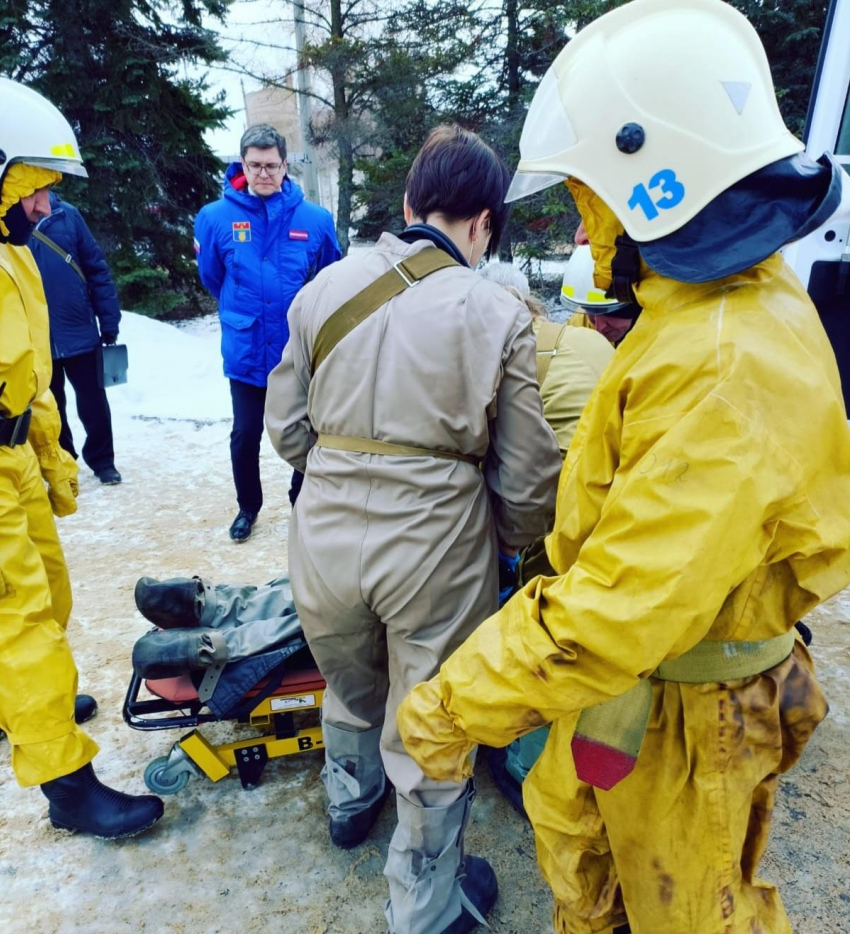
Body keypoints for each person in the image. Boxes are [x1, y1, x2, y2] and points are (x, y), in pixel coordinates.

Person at [396, 2, 850, 933]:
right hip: (638, 695)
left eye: (587, 191)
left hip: (689, 711)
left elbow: (620, 607)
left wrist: (455, 704)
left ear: (657, 173)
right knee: (575, 839)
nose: (581, 218)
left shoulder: (725, 359)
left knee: (694, 914)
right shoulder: (710, 308)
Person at [265, 124, 562, 934]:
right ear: (484, 225)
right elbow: (530, 476)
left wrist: (337, 470)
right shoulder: (496, 310)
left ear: (407, 203)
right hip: (435, 544)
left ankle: (349, 805)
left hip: (322, 535)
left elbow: (286, 429)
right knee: (430, 720)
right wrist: (503, 538)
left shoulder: (323, 288)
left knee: (349, 683)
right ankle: (426, 910)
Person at [0, 77, 163, 837]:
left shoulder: (16, 254)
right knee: (21, 621)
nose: (44, 206)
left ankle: (27, 707)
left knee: (51, 593)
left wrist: (51, 459)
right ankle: (68, 787)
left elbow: (27, 373)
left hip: (14, 460)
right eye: (32, 187)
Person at [194, 124, 341, 542]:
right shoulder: (215, 218)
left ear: (284, 166)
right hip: (246, 349)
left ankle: (303, 497)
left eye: (271, 165)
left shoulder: (314, 220)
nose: (263, 173)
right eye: (254, 165)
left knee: (311, 432)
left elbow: (330, 279)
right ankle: (248, 506)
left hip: (298, 352)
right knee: (244, 435)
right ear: (242, 164)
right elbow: (212, 276)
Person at [28, 191, 122, 485]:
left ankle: (103, 461)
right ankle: (62, 460)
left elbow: (96, 269)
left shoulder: (67, 215)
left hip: (79, 328)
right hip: (36, 336)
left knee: (93, 400)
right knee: (50, 404)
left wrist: (108, 319)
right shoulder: (10, 222)